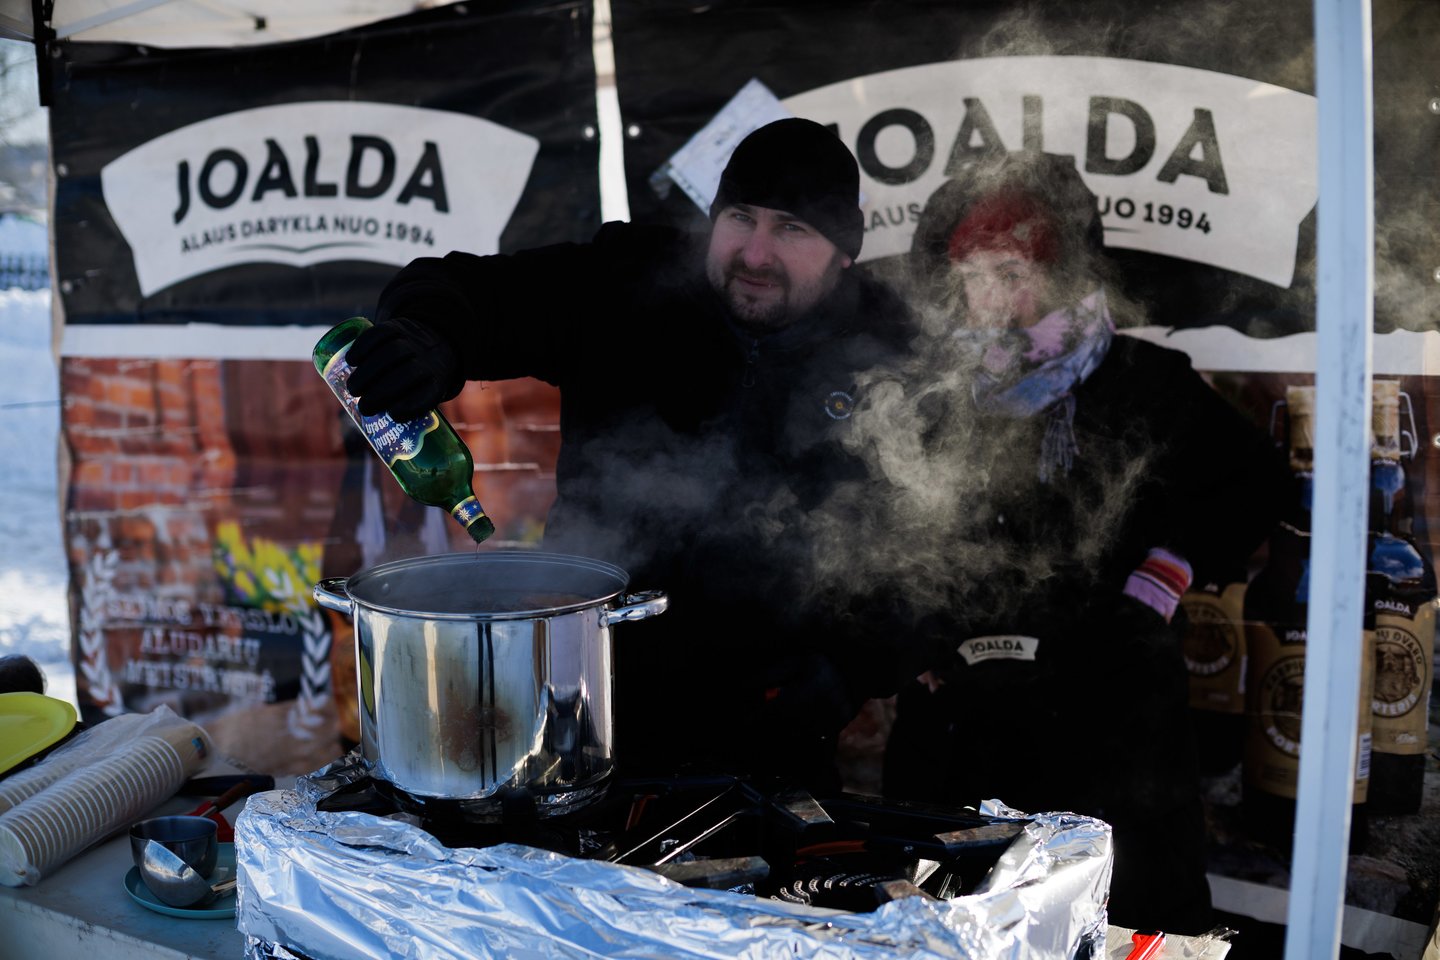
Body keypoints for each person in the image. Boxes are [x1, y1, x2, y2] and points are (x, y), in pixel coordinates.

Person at [344, 118, 919, 790]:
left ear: (843, 252)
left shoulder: (888, 347)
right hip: (584, 702)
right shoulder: (631, 281)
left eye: (792, 229)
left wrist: (850, 670)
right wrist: (427, 338)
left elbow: (937, 545)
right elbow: (470, 293)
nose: (756, 254)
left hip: (774, 729)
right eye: (740, 217)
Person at [882, 151, 1292, 932]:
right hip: (959, 745)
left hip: (1115, 746)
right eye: (972, 275)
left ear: (1064, 275)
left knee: (1128, 935)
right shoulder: (933, 393)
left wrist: (1164, 575)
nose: (988, 300)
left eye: (1011, 274)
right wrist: (911, 636)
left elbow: (1256, 483)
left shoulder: (1146, 382)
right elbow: (876, 532)